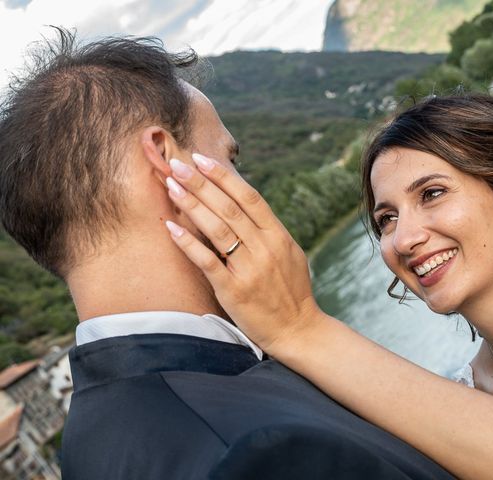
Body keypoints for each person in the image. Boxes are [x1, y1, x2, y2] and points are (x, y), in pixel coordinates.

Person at [0, 28, 454, 479]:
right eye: (232, 160)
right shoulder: (258, 452)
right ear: (167, 160)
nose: (249, 187)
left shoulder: (86, 445)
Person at [163, 93, 493, 479]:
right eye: (386, 219)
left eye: (432, 194)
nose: (405, 239)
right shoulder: (460, 398)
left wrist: (300, 329)